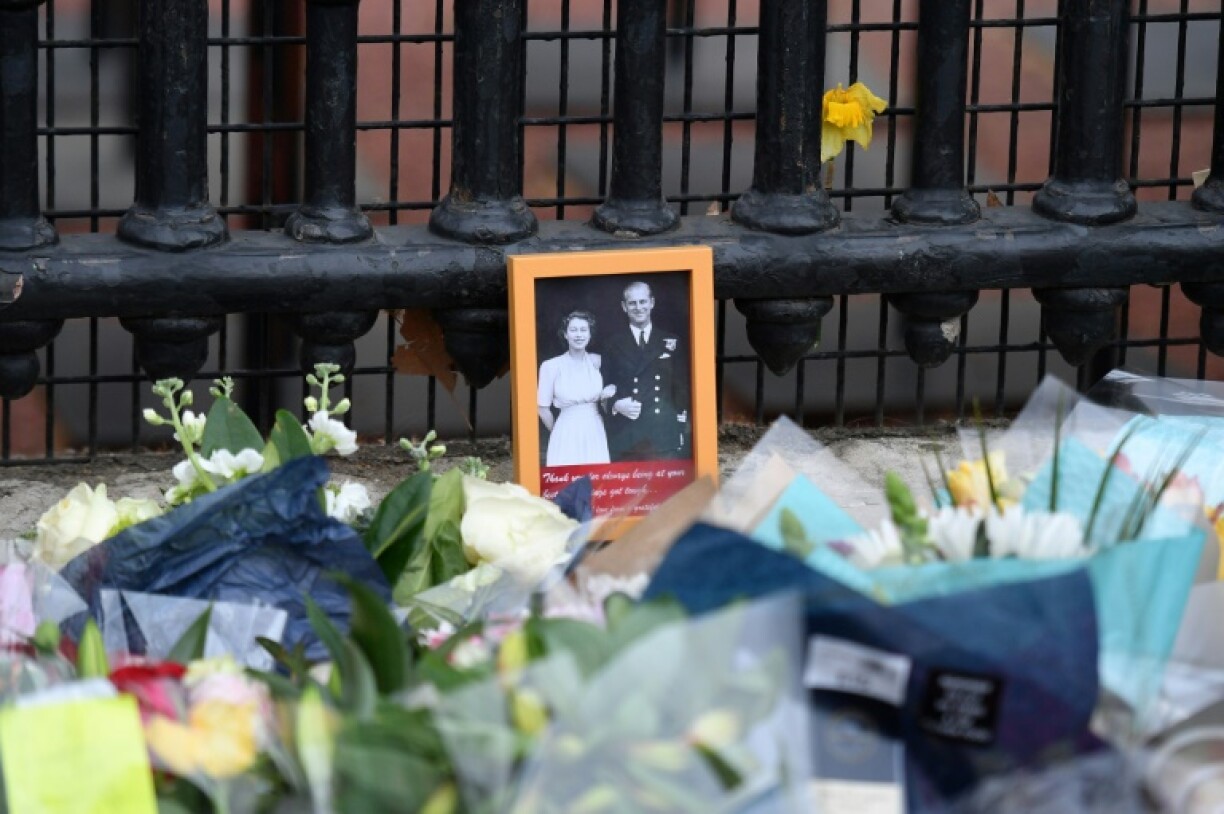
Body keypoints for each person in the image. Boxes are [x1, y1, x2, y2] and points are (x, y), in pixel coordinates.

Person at [601, 281, 689, 461]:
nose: (638, 307)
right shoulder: (612, 344)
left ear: (652, 303)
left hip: (662, 433)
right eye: (632, 303)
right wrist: (616, 405)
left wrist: (680, 427)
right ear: (624, 307)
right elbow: (602, 385)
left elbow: (681, 388)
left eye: (643, 302)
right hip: (626, 433)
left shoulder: (671, 341)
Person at [537, 310, 616, 466]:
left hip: (594, 429)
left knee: (595, 480)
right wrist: (559, 432)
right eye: (573, 330)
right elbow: (542, 408)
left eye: (583, 330)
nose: (578, 335)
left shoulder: (598, 362)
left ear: (590, 334)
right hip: (565, 430)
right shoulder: (551, 366)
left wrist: (612, 387)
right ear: (565, 334)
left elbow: (617, 385)